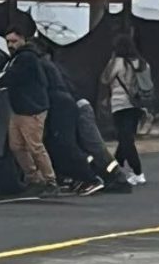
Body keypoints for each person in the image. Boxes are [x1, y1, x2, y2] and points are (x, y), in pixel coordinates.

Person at [30, 38, 131, 193]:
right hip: (75, 108)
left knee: (94, 146)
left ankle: (117, 177)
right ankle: (98, 176)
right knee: (82, 146)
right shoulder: (55, 67)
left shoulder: (48, 68)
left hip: (78, 109)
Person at [0, 26, 59, 197]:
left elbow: (12, 76)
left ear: (23, 39)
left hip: (31, 108)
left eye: (14, 41)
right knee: (16, 146)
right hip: (19, 108)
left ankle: (50, 181)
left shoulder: (27, 58)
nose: (10, 44)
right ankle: (34, 178)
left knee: (35, 147)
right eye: (8, 41)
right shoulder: (17, 58)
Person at [101, 34, 148, 185]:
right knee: (125, 138)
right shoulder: (141, 63)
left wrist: (112, 60)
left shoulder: (117, 62)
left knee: (126, 140)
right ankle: (116, 167)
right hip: (138, 105)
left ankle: (138, 172)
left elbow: (105, 79)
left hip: (120, 105)